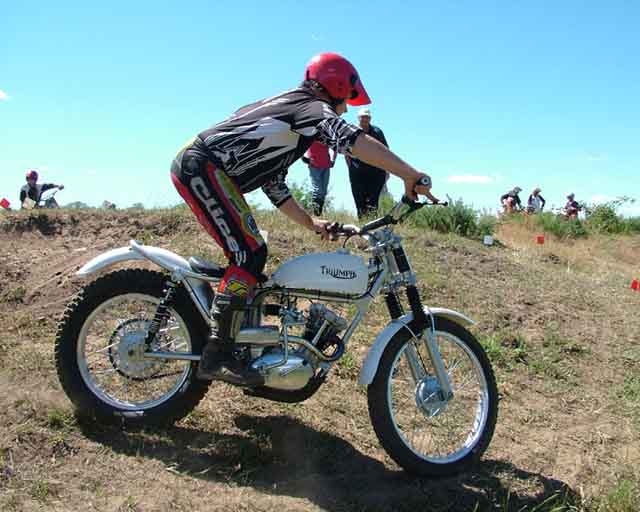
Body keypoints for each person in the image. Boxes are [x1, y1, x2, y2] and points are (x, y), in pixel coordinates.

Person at [170, 52, 436, 385]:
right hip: (201, 166)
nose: (347, 108)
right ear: (337, 86)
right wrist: (410, 174)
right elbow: (351, 140)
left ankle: (238, 337)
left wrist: (312, 223)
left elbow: (274, 185)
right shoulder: (308, 107)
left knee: (252, 258)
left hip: (206, 167)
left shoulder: (291, 116)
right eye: (347, 100)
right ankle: (217, 354)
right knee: (249, 253)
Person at [345, 108, 389, 218]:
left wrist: (387, 169)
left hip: (376, 170)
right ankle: (362, 222)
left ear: (370, 118)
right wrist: (350, 167)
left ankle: (372, 222)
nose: (365, 119)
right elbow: (345, 150)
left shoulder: (377, 132)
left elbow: (385, 150)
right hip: (357, 171)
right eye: (363, 117)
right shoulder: (352, 131)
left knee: (373, 200)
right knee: (359, 198)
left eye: (367, 117)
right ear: (358, 118)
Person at [302, 141, 335, 215]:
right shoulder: (310, 133)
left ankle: (318, 214)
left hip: (326, 165)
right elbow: (299, 146)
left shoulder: (325, 133)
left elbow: (335, 145)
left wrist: (333, 160)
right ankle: (316, 213)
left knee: (323, 191)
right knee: (318, 190)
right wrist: (305, 159)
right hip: (314, 165)